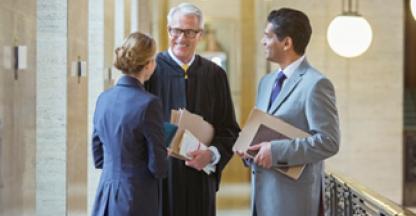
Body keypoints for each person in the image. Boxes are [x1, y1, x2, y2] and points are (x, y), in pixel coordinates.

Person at [236, 8, 340, 216]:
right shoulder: (266, 83)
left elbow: (328, 142)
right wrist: (249, 149)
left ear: (286, 43)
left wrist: (275, 151)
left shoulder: (316, 84)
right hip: (261, 197)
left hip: (293, 200)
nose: (262, 42)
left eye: (268, 36)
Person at [146, 3, 240, 216]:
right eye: (176, 30)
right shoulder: (151, 70)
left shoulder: (215, 75)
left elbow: (229, 130)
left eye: (190, 32)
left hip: (200, 179)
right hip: (161, 180)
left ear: (200, 34)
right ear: (168, 30)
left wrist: (212, 154)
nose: (182, 38)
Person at [91, 32, 168, 216]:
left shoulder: (103, 98)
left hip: (105, 193)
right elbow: (158, 167)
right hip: (136, 197)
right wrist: (165, 153)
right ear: (149, 64)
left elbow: (98, 156)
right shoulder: (149, 103)